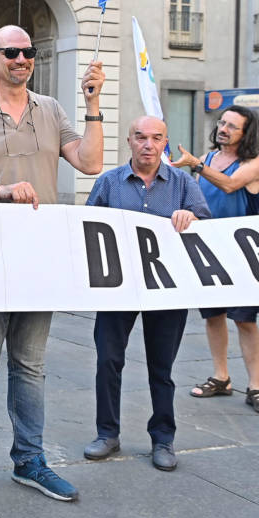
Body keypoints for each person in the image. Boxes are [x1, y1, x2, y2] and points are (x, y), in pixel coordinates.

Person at [0, 24, 104, 502]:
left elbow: (90, 164)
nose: (22, 59)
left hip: (39, 258)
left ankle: (30, 460)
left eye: (28, 52)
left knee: (30, 365)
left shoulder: (50, 109)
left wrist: (92, 104)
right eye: (11, 52)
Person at [83, 116, 210, 471]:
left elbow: (208, 232)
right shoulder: (108, 182)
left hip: (167, 291)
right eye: (141, 137)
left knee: (162, 366)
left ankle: (163, 438)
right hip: (118, 288)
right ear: (129, 141)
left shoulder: (183, 184)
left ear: (165, 143)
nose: (148, 144)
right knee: (108, 360)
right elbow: (86, 230)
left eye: (156, 138)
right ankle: (107, 433)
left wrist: (191, 219)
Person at [171, 105, 259, 415]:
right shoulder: (208, 158)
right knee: (213, 315)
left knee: (245, 319)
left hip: (242, 252)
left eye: (232, 125)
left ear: (246, 133)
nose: (223, 128)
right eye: (222, 122)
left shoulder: (256, 161)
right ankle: (221, 377)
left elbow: (230, 185)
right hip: (208, 249)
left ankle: (256, 386)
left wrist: (196, 165)